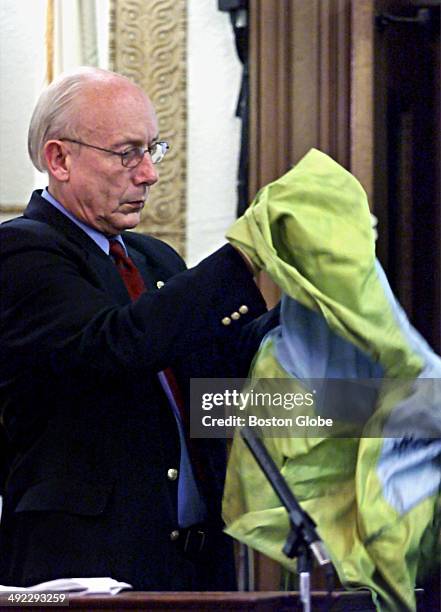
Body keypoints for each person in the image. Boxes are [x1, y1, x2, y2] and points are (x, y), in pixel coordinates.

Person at [0, 67, 277, 590]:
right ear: (59, 159)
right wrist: (244, 256)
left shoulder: (156, 260)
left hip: (195, 564)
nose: (148, 173)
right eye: (127, 153)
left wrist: (309, 312)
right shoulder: (22, 250)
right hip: (86, 569)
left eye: (153, 150)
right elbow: (117, 344)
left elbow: (216, 391)